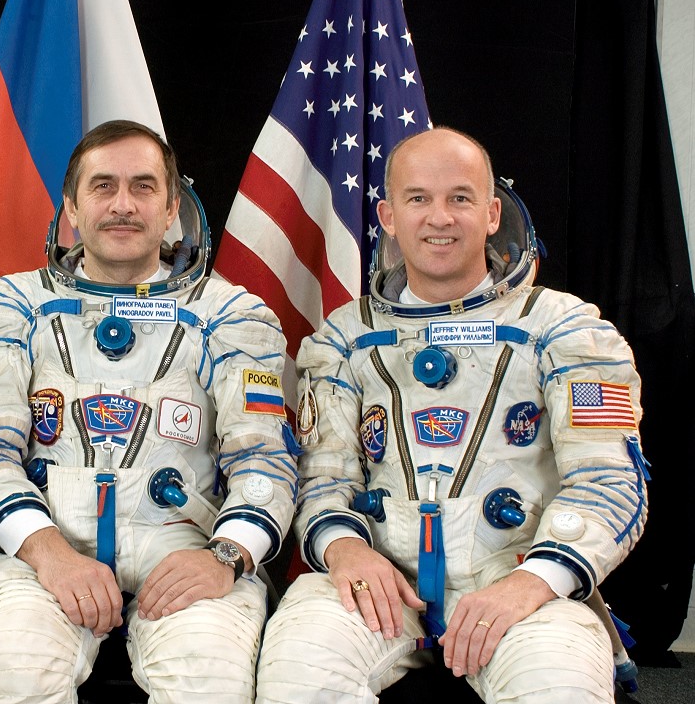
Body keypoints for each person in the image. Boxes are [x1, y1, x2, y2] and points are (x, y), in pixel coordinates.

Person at [255, 127, 649, 703]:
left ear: (491, 213)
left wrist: (534, 581)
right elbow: (322, 478)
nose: (439, 217)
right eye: (418, 198)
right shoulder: (346, 337)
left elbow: (609, 481)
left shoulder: (566, 330)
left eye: (460, 198)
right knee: (299, 669)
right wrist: (345, 549)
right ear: (389, 216)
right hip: (383, 581)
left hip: (519, 580)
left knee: (556, 685)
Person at [0, 119, 298, 702]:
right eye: (103, 186)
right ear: (71, 206)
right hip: (48, 547)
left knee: (208, 682)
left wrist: (225, 556)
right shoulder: (14, 305)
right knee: (18, 673)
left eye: (143, 187)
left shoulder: (232, 315)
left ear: (171, 208)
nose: (123, 205)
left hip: (185, 547)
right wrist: (49, 553)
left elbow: (264, 461)